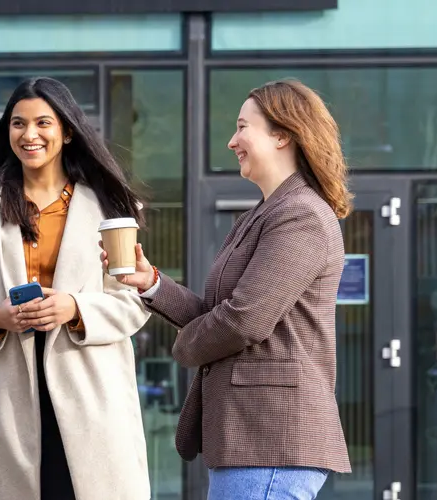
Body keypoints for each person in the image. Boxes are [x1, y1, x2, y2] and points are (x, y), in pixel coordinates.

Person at [101, 78, 353, 499]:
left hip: (271, 438)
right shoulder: (261, 216)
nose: (232, 141)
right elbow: (221, 311)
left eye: (242, 127)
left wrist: (185, 347)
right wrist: (151, 283)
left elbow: (243, 320)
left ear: (282, 134)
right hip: (251, 440)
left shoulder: (301, 216)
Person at [0, 77, 152, 500]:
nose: (29, 135)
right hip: (6, 403)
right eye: (18, 124)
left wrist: (74, 307)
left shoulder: (110, 207)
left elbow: (134, 301)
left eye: (43, 123)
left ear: (67, 131)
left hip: (90, 400)